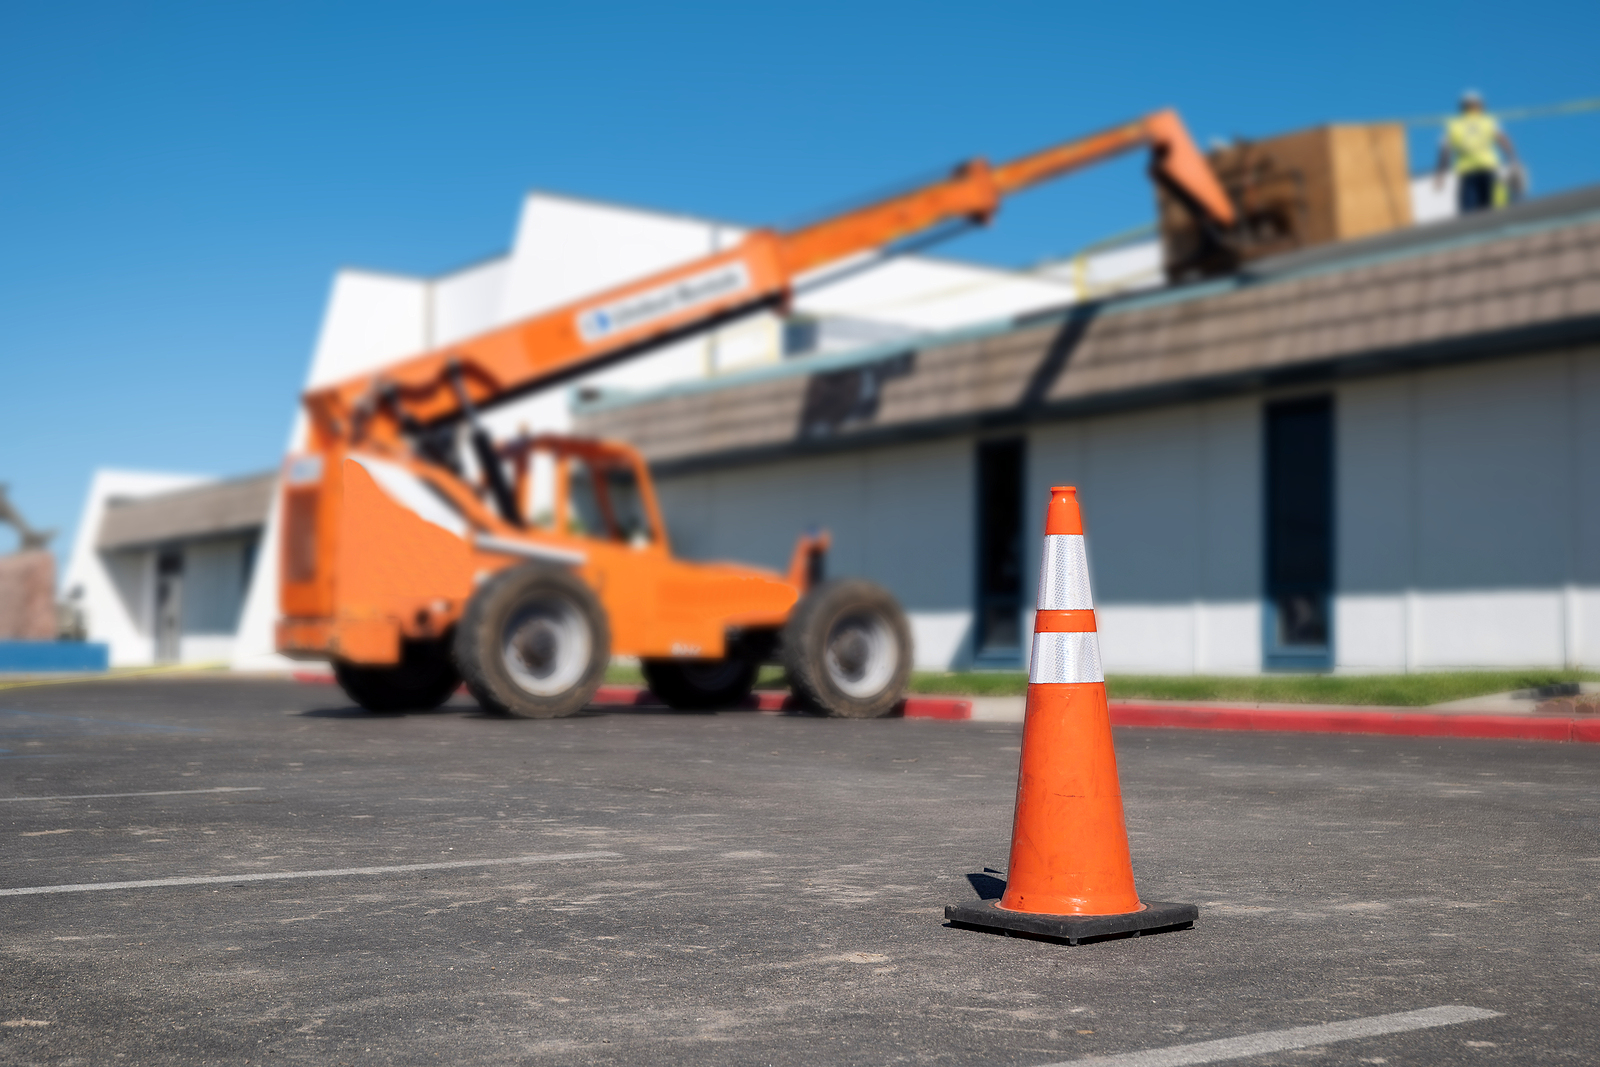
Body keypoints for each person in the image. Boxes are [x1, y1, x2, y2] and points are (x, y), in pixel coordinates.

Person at [1435, 90, 1518, 214]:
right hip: (1485, 168)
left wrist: (1441, 172)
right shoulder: (1488, 121)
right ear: (1480, 105)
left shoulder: (1454, 124)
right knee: (1489, 208)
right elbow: (1503, 140)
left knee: (1470, 211)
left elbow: (1445, 150)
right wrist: (1513, 161)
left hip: (1470, 171)